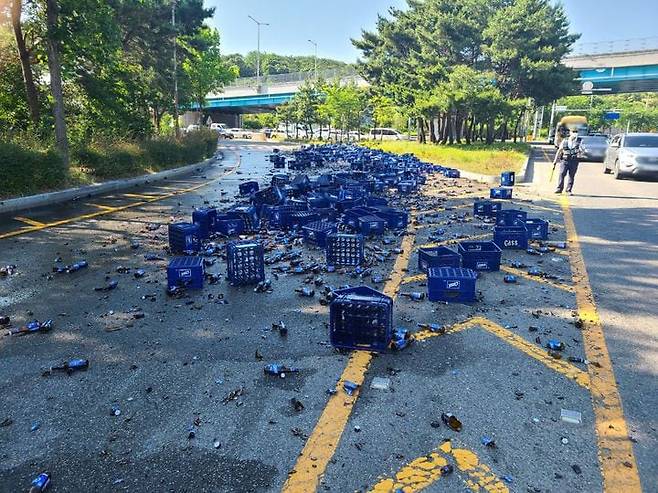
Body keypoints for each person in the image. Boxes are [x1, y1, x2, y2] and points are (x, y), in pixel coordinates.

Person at [553, 129, 582, 195]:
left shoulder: (579, 141)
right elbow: (559, 150)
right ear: (570, 133)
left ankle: (568, 190)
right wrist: (555, 160)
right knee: (562, 174)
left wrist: (580, 152)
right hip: (565, 160)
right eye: (573, 132)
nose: (575, 133)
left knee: (571, 176)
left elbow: (581, 151)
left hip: (574, 161)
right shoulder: (565, 141)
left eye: (576, 132)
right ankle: (559, 189)